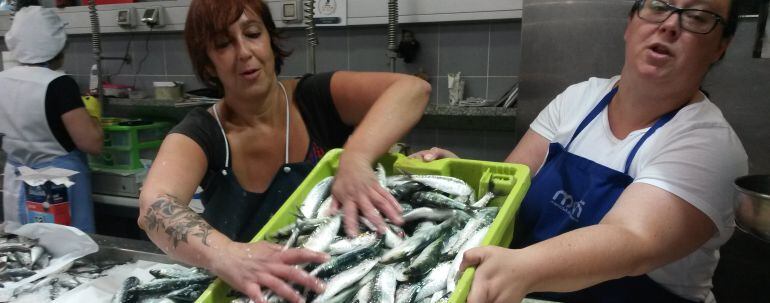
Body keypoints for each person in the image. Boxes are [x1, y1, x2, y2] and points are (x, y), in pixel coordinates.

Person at [412, 0, 748, 302]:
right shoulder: (578, 100)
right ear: (630, 22)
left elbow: (632, 239)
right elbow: (509, 190)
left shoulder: (710, 145)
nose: (670, 24)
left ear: (721, 45)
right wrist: (464, 185)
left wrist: (523, 267)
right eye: (658, 6)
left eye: (698, 16)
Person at [136, 0, 430, 301]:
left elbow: (411, 90)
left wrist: (356, 157)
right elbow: (154, 206)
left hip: (336, 283)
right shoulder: (204, 131)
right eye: (223, 44)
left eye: (252, 34)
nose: (244, 52)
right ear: (208, 63)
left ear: (270, 40)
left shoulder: (314, 99)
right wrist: (227, 255)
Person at [0, 5, 103, 233]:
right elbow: (91, 143)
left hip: (17, 183)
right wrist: (94, 115)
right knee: (68, 257)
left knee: (26, 254)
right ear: (57, 45)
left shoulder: (2, 80)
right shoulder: (59, 85)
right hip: (57, 189)